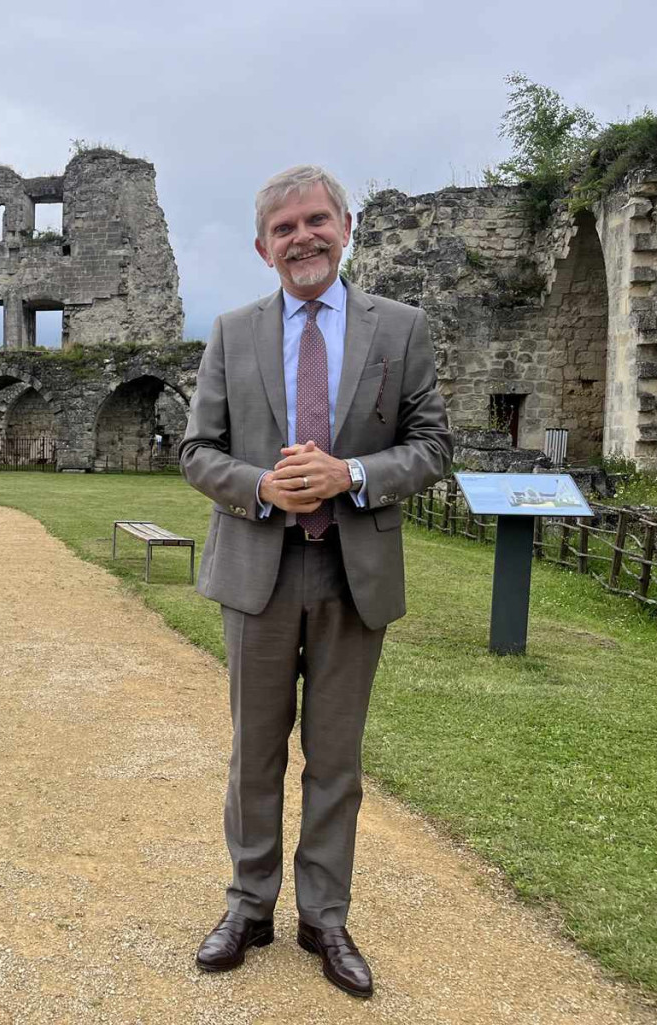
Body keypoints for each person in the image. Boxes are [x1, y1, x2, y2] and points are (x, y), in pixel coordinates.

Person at [179, 165, 451, 998]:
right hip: (257, 569)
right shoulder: (230, 332)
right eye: (285, 227)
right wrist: (262, 485)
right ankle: (248, 904)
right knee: (253, 755)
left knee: (335, 760)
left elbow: (434, 445)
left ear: (346, 224)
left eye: (316, 220)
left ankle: (324, 917)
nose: (303, 237)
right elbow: (196, 451)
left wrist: (353, 473)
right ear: (264, 248)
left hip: (351, 573)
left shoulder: (401, 330)